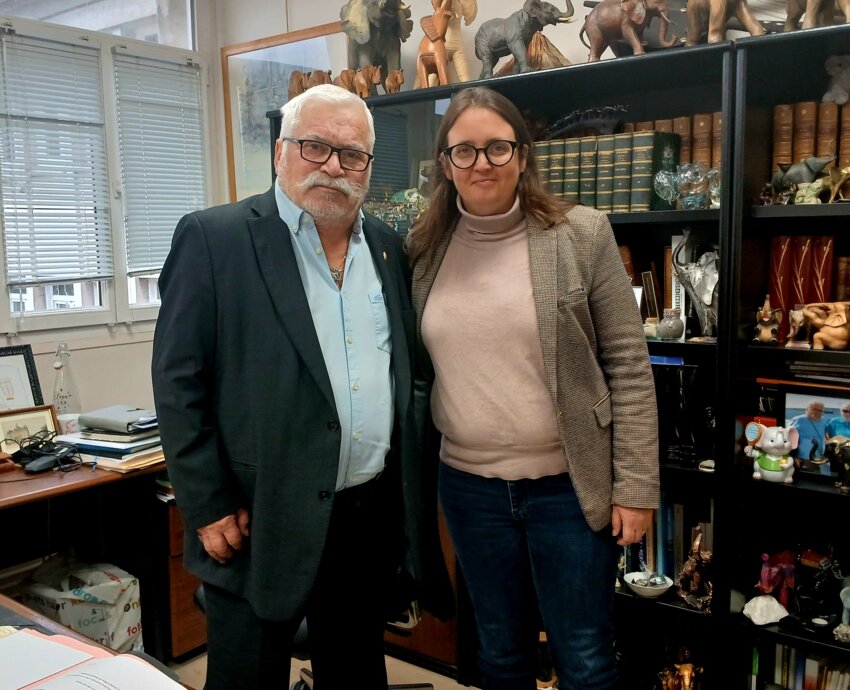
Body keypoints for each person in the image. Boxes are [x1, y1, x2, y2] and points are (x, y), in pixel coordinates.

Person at [151, 84, 451, 690]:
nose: (334, 167)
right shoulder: (217, 239)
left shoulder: (390, 251)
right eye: (315, 146)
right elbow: (178, 381)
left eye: (352, 155)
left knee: (356, 674)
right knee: (247, 679)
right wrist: (205, 505)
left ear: (369, 165)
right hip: (260, 519)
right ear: (282, 151)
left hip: (366, 521)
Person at [406, 85, 659, 690]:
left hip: (568, 489)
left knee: (586, 656)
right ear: (445, 165)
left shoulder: (583, 234)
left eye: (497, 147)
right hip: (469, 491)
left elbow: (627, 365)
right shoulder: (421, 250)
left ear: (523, 156)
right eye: (464, 151)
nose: (482, 163)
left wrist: (637, 487)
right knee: (500, 654)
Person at [790, 400, 828, 465]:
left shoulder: (824, 421)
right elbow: (788, 438)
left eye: (820, 410)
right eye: (814, 409)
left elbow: (826, 436)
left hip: (817, 458)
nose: (818, 412)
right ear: (807, 409)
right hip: (801, 459)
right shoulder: (798, 420)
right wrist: (793, 456)